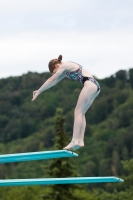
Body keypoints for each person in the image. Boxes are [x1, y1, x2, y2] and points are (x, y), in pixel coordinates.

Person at [32, 55, 100, 150]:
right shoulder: (65, 71)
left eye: (55, 72)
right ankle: (80, 140)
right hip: (95, 86)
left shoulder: (66, 65)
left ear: (56, 66)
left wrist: (38, 91)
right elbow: (54, 82)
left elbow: (51, 79)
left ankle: (74, 140)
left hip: (89, 84)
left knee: (77, 112)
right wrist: (41, 90)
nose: (56, 74)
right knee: (81, 113)